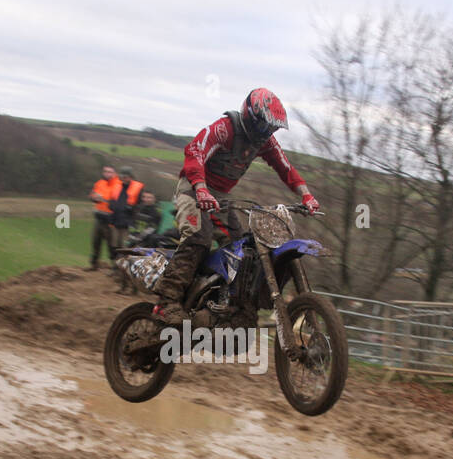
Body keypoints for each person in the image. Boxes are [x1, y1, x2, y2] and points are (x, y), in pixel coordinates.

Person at [151, 88, 319, 324]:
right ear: (251, 115)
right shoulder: (225, 128)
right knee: (199, 237)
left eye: (272, 128)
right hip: (193, 187)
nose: (268, 133)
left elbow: (285, 167)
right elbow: (195, 151)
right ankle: (166, 301)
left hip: (221, 198)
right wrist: (200, 188)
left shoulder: (265, 142)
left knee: (241, 249)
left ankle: (223, 303)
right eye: (265, 126)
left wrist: (307, 195)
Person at [87, 165, 121, 270]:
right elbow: (92, 196)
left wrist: (103, 198)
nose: (107, 173)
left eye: (110, 172)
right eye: (105, 171)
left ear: (115, 173)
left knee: (112, 245)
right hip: (99, 218)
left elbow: (118, 202)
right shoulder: (99, 183)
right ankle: (94, 264)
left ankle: (115, 267)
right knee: (95, 242)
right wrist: (94, 198)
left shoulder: (118, 185)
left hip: (111, 220)